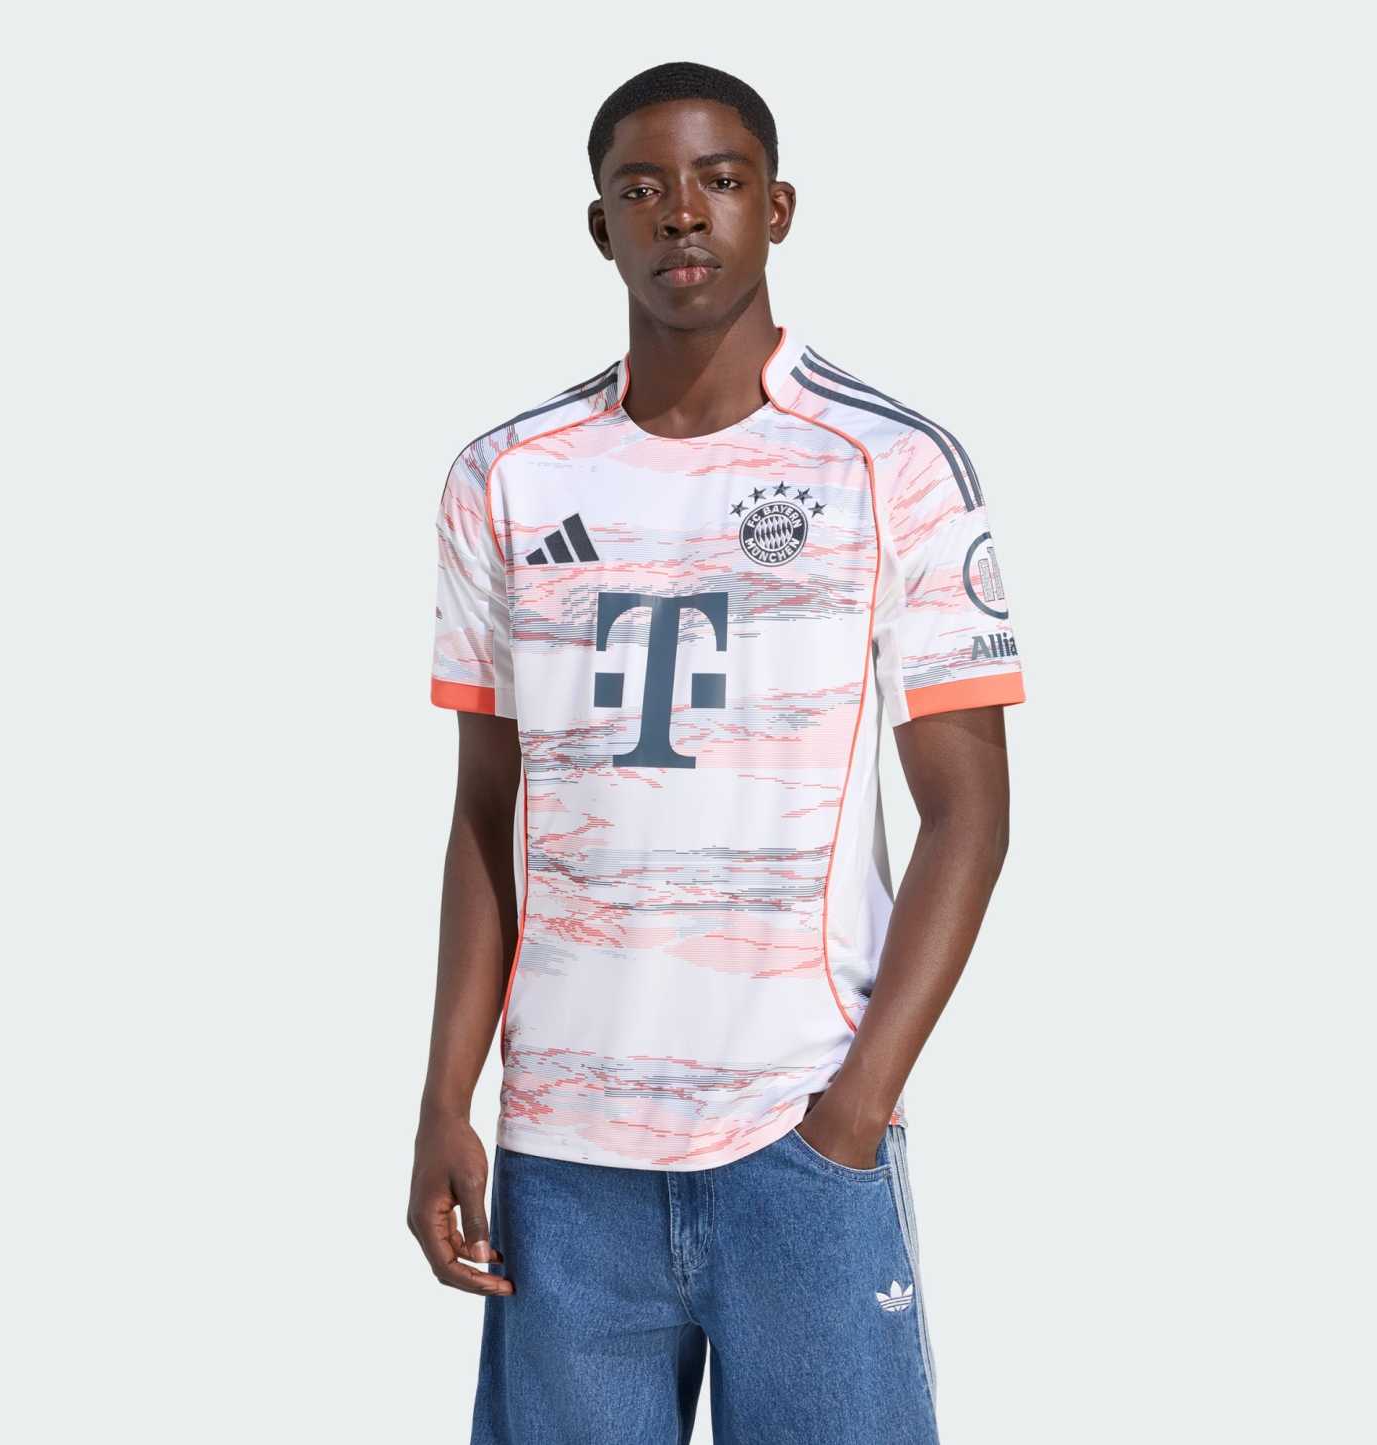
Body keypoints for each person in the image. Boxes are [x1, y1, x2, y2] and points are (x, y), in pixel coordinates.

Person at [408, 59, 1025, 1445]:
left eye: (718, 181)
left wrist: (853, 1112)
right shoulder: (506, 476)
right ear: (600, 227)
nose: (681, 214)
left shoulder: (891, 465)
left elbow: (970, 815)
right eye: (642, 189)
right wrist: (447, 1097)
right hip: (563, 1159)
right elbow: (484, 815)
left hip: (796, 1139)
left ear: (776, 208)